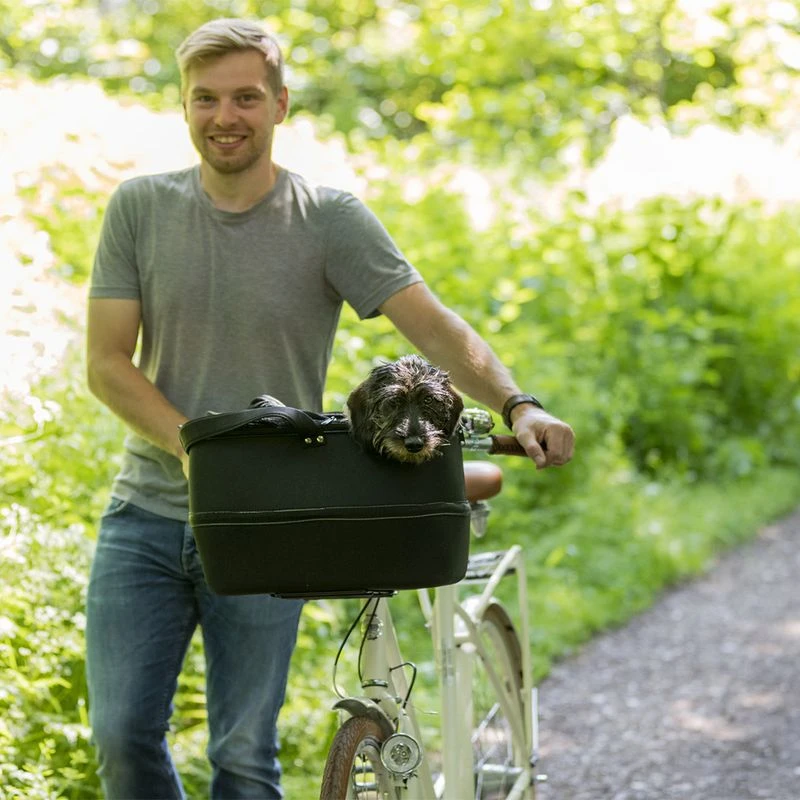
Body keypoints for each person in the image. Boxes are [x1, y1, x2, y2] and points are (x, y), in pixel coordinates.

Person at [85, 17, 575, 800]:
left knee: (244, 752)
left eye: (246, 97)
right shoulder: (141, 208)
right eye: (205, 99)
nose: (225, 116)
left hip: (269, 525)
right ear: (184, 108)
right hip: (144, 518)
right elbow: (107, 364)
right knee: (120, 739)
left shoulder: (326, 216)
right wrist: (201, 453)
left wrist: (519, 405)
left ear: (281, 104)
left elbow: (436, 328)